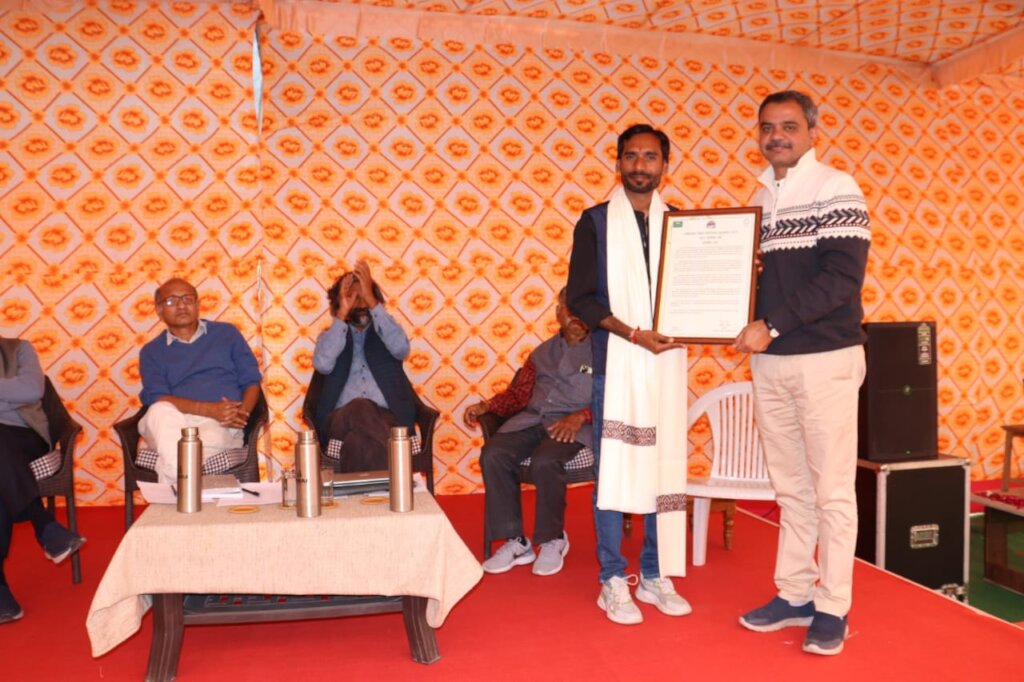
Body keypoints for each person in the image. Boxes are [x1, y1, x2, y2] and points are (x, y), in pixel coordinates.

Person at [733, 90, 871, 656]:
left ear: (812, 132)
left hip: (824, 359)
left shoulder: (836, 187)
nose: (777, 136)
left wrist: (771, 324)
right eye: (768, 127)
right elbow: (761, 282)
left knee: (832, 490)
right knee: (791, 488)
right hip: (772, 363)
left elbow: (841, 280)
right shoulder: (758, 197)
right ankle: (794, 593)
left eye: (789, 126)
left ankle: (832, 605)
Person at [567, 123, 691, 625]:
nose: (640, 166)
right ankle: (613, 579)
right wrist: (634, 334)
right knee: (614, 469)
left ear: (665, 165)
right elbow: (582, 299)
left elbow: (694, 290)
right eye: (631, 156)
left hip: (667, 365)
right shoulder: (595, 222)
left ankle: (656, 573)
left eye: (650, 157)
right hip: (615, 364)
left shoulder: (680, 224)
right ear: (618, 162)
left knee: (664, 466)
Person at [465, 288, 593, 577]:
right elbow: (518, 394)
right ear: (558, 312)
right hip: (533, 420)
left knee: (545, 461)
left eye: (582, 309)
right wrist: (487, 405)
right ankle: (516, 541)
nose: (575, 316)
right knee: (494, 453)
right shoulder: (542, 353)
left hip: (575, 426)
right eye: (569, 308)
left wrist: (581, 416)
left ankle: (552, 539)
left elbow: (615, 398)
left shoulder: (605, 353)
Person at [139, 278, 262, 484]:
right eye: (171, 301)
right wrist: (207, 409)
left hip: (220, 422)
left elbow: (251, 381)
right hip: (174, 422)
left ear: (197, 304)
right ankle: (184, 481)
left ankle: (176, 485)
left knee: (202, 441)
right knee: (159, 410)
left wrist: (241, 414)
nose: (181, 305)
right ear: (159, 310)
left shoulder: (227, 334)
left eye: (187, 299)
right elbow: (158, 397)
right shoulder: (151, 351)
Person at [1, 337, 86, 623]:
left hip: (24, 436)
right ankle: (44, 525)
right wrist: (9, 395)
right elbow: (20, 393)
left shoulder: (17, 348)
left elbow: (32, 389)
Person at [312, 259, 416, 471]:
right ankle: (396, 475)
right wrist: (342, 315)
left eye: (365, 297)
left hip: (386, 417)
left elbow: (402, 349)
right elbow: (322, 364)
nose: (360, 304)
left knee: (357, 443)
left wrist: (373, 304)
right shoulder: (331, 336)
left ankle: (368, 492)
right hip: (340, 418)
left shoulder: (386, 332)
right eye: (353, 298)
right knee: (360, 406)